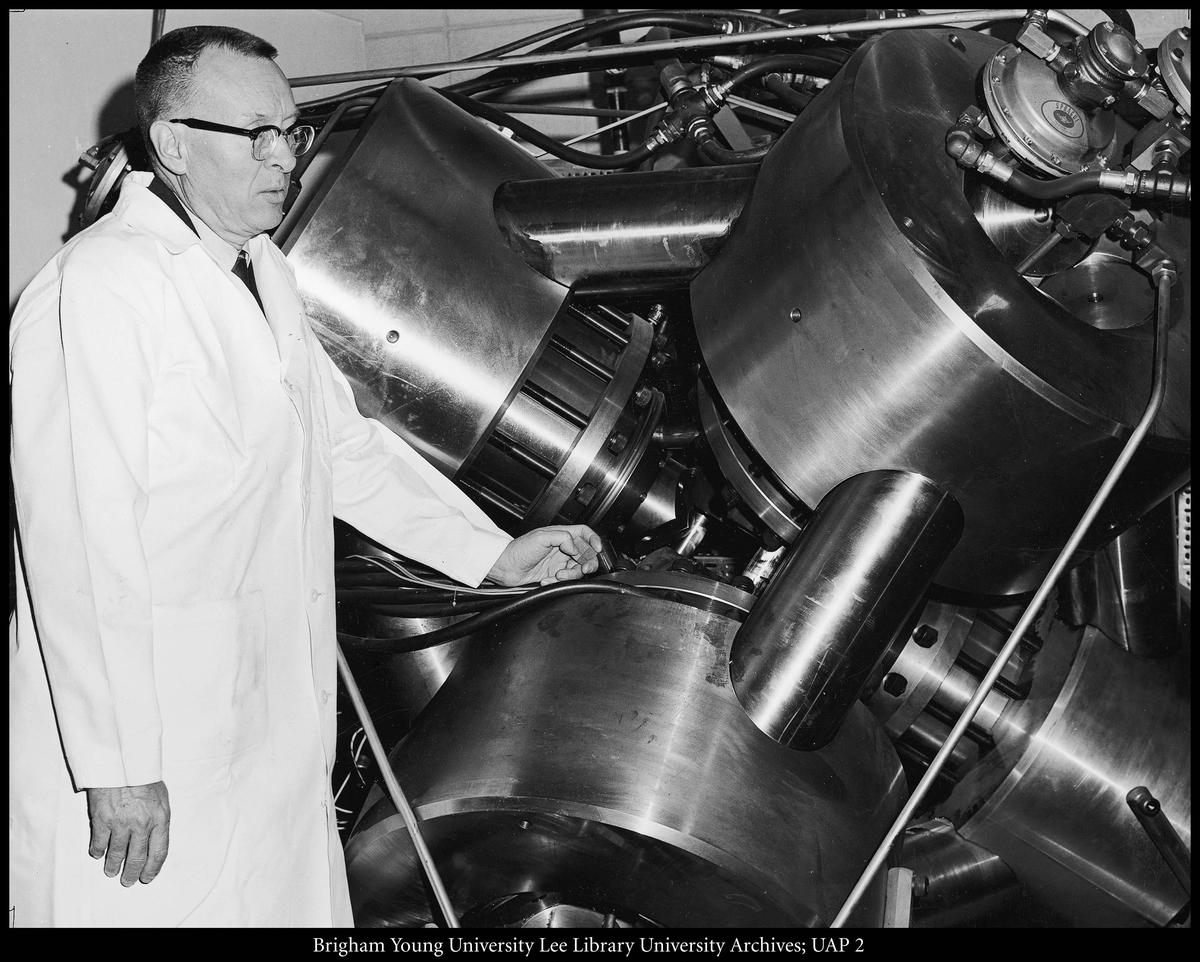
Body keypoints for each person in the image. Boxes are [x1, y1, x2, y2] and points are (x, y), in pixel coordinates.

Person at [8, 25, 601, 927]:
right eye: (257, 135)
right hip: (148, 762)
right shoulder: (99, 288)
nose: (284, 157)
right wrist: (116, 763)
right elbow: (77, 543)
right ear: (172, 144)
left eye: (290, 130)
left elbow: (344, 449)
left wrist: (494, 556)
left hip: (263, 738)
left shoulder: (262, 273)